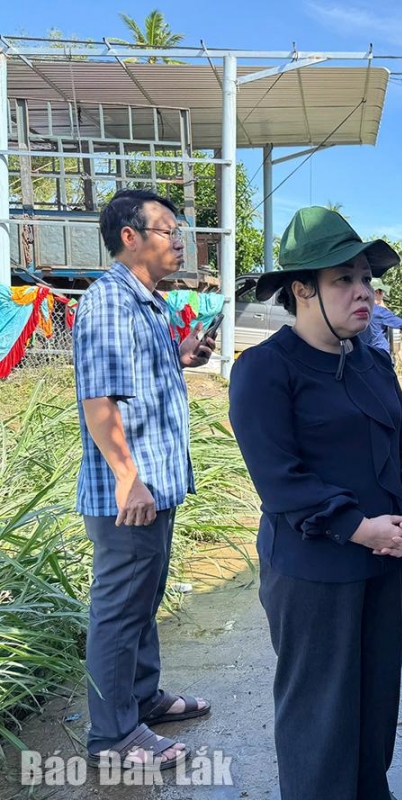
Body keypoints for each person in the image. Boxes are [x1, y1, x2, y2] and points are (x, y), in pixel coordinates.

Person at [228, 206, 402, 800]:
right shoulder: (265, 371)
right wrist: (358, 526)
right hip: (313, 573)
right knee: (318, 716)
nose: (363, 293)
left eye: (366, 279)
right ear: (302, 290)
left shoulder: (372, 363)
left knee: (376, 702)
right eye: (343, 279)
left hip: (383, 565)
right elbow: (280, 480)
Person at [74, 189, 215, 769]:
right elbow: (98, 401)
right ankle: (113, 737)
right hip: (128, 493)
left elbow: (137, 379)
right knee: (119, 608)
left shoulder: (147, 304)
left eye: (179, 229)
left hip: (154, 486)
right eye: (166, 229)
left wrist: (181, 354)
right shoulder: (110, 302)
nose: (179, 240)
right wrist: (129, 480)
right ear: (130, 237)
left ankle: (142, 699)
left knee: (143, 596)